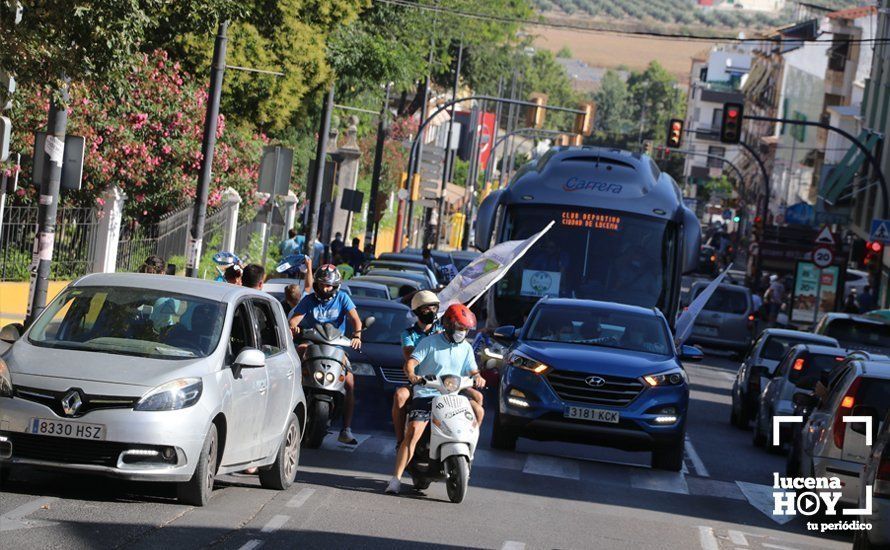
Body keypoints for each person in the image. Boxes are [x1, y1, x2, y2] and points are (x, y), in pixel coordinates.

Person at [386, 303, 486, 495]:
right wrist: (413, 375)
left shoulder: (465, 347)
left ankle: (468, 457)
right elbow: (412, 362)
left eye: (465, 329)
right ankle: (396, 479)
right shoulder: (429, 343)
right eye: (459, 328)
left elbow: (473, 369)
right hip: (427, 393)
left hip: (453, 396)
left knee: (478, 411)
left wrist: (478, 377)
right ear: (448, 324)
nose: (462, 332)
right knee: (414, 430)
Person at [289, 265, 363, 444]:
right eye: (322, 284)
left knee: (351, 383)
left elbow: (356, 320)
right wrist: (295, 327)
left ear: (336, 286)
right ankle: (290, 399)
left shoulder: (343, 298)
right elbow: (294, 320)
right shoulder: (309, 300)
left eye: (329, 286)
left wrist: (357, 335)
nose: (325, 289)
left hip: (337, 347)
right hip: (313, 342)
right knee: (299, 351)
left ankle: (346, 429)